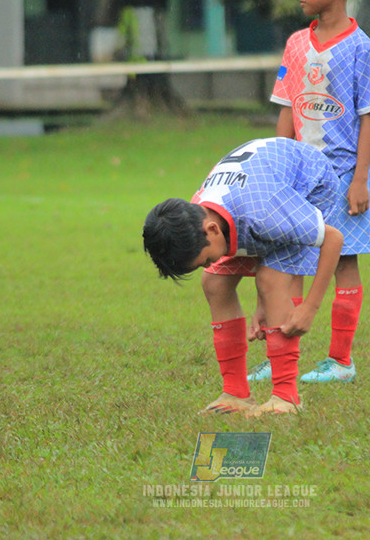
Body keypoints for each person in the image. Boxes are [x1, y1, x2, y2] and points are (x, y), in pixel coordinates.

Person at [248, 0, 370, 385]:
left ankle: (341, 361)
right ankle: (280, 354)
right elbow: (287, 111)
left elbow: (369, 118)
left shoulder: (361, 48)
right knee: (289, 262)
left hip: (346, 175)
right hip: (300, 176)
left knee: (344, 261)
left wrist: (360, 179)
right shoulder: (294, 44)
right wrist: (276, 166)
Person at [143, 137, 344, 417]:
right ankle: (235, 393)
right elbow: (250, 230)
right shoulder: (198, 210)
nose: (207, 264)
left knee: (270, 280)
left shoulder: (266, 212)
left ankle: (287, 397)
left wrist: (310, 307)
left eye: (204, 260)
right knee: (214, 282)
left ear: (211, 229)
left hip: (311, 186)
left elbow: (333, 239)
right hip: (256, 199)